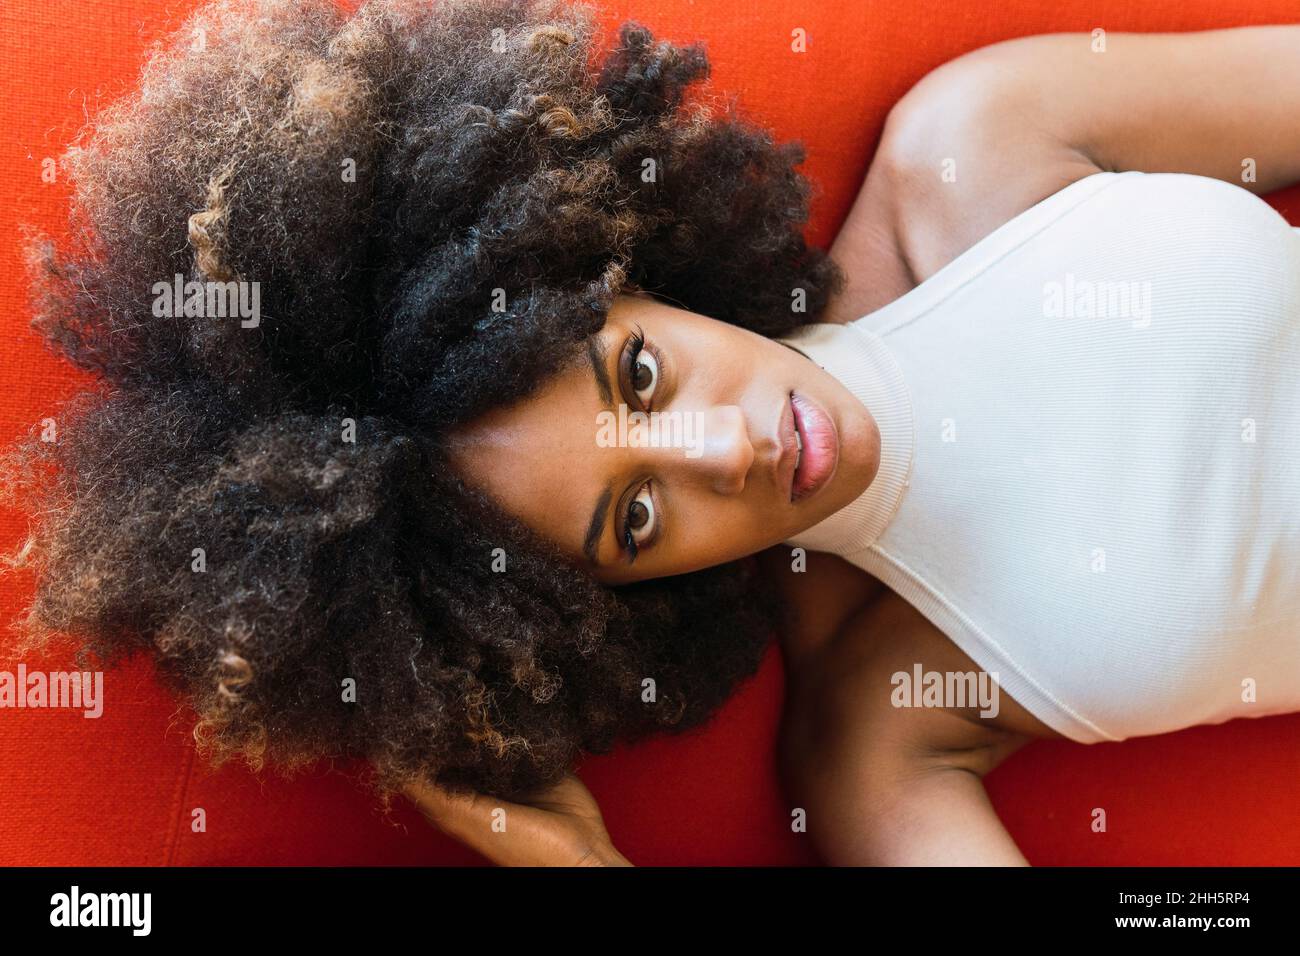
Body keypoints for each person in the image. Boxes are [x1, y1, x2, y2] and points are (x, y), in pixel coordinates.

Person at [7, 0, 1298, 866]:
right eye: (635, 519)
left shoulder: (971, 145)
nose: (721, 452)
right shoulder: (880, 734)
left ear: (620, 266)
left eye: (636, 370)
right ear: (607, 615)